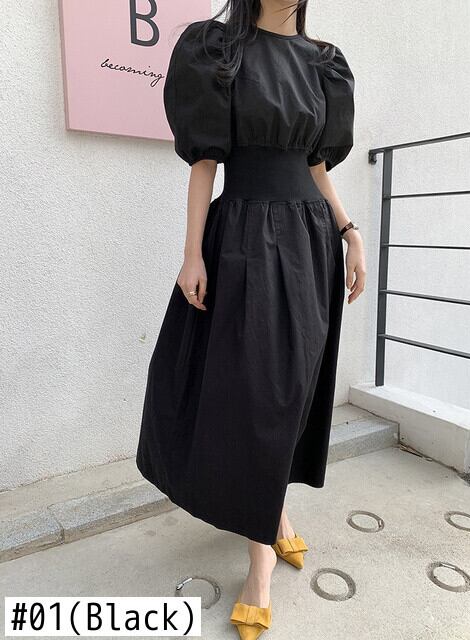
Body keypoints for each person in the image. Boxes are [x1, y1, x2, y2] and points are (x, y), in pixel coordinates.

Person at [136, 1, 366, 636]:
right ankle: (260, 556)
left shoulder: (325, 63)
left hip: (311, 241)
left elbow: (315, 165)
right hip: (243, 239)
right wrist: (191, 254)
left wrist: (349, 231)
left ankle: (274, 511)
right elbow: (204, 165)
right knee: (257, 393)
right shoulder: (218, 49)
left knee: (294, 390)